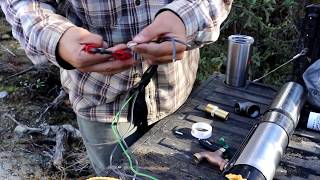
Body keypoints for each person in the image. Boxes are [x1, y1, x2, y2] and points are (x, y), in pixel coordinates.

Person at [1, 0, 232, 176]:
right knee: (115, 174)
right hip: (100, 104)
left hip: (178, 93)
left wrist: (184, 18)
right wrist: (58, 39)